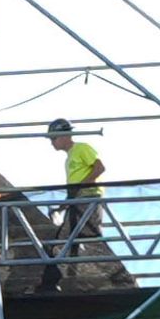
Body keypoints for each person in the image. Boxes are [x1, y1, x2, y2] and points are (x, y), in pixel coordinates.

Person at [43, 117, 105, 290]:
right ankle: (71, 280)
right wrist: (61, 208)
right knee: (71, 241)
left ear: (65, 135)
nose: (52, 143)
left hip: (88, 199)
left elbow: (99, 168)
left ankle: (68, 281)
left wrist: (82, 185)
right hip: (79, 201)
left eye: (53, 138)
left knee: (71, 238)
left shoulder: (81, 148)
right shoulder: (69, 158)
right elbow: (73, 191)